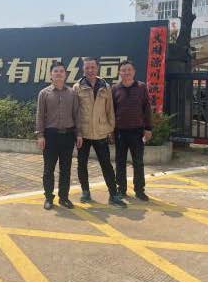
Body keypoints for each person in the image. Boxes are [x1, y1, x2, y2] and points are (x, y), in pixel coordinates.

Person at [72, 57, 127, 207]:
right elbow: (75, 112)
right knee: (82, 164)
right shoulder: (77, 87)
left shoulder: (105, 86)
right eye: (87, 68)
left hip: (101, 132)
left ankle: (113, 195)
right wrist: (77, 133)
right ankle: (85, 192)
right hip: (83, 134)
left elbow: (110, 110)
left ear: (97, 68)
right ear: (83, 69)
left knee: (106, 164)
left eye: (93, 67)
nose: (90, 70)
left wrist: (110, 129)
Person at [35, 61, 82, 209]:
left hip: (68, 136)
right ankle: (48, 198)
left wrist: (79, 134)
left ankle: (64, 197)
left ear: (65, 74)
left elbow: (77, 115)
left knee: (65, 169)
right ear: (51, 74)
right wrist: (40, 135)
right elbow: (40, 116)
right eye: (55, 71)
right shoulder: (44, 93)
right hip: (51, 136)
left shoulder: (72, 93)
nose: (58, 74)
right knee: (48, 169)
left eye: (61, 71)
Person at [111, 60, 153, 201]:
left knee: (138, 162)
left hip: (137, 131)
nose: (126, 72)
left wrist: (148, 128)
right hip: (120, 132)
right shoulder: (115, 89)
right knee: (120, 162)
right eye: (123, 70)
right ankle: (121, 189)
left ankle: (139, 190)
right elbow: (111, 111)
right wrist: (111, 130)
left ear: (134, 72)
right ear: (119, 72)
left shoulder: (141, 87)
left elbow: (147, 109)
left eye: (129, 70)